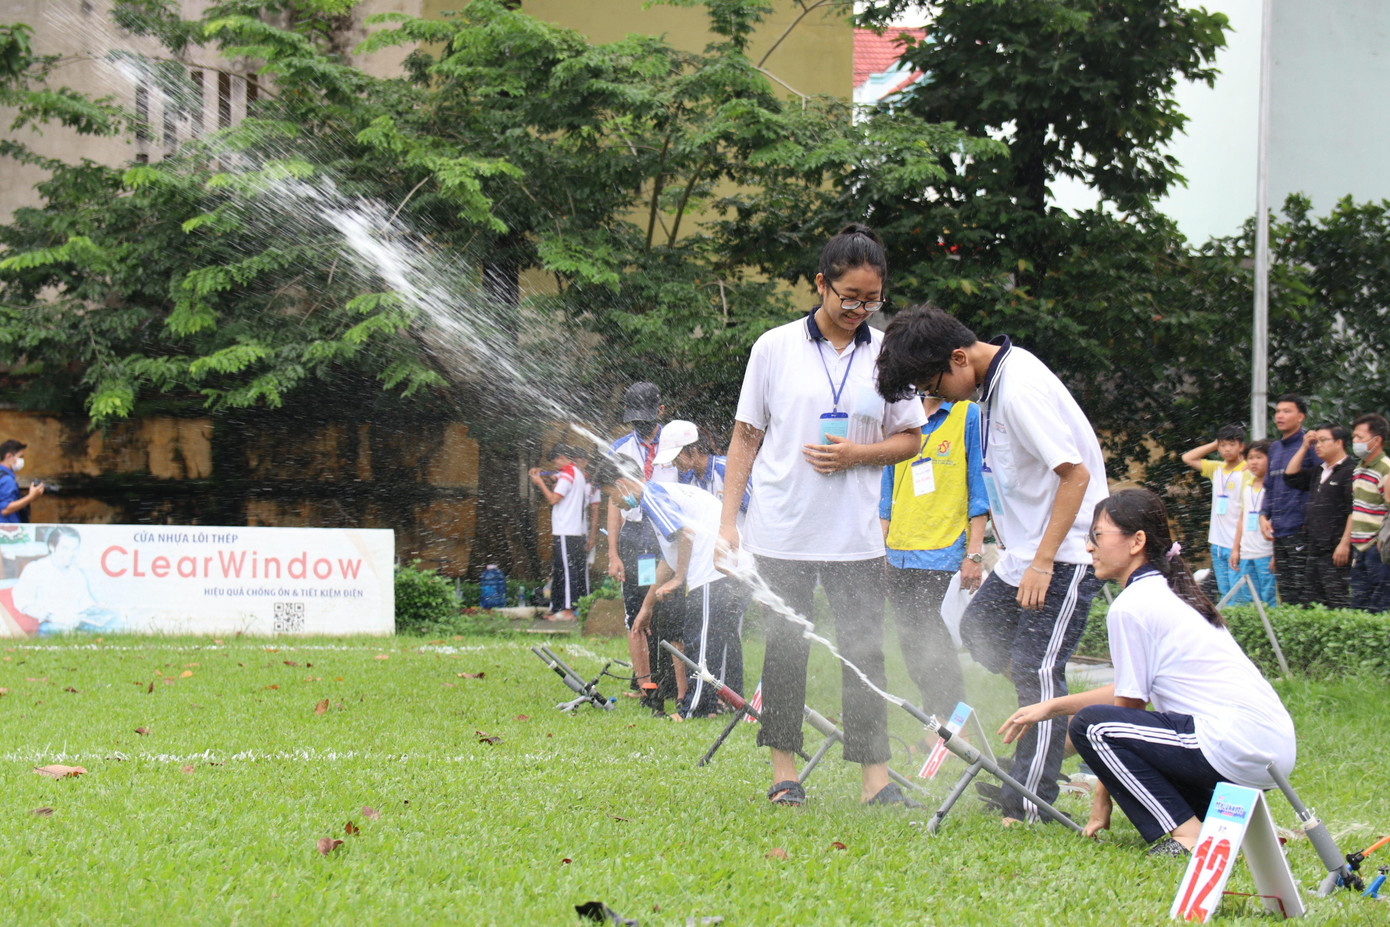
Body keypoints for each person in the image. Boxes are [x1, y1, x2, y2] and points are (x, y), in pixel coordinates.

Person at [716, 223, 926, 808]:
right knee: (786, 649)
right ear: (820, 285)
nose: (860, 310)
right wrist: (728, 524)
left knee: (865, 652)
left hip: (855, 535)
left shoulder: (887, 355)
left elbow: (911, 438)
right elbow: (745, 437)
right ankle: (785, 772)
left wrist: (859, 454)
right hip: (783, 529)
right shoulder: (774, 347)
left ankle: (875, 780)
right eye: (849, 297)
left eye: (872, 300)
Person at [875, 305, 1108, 825]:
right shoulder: (993, 388)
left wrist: (1043, 562)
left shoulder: (1019, 388)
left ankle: (1028, 803)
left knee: (1036, 669)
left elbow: (1076, 475)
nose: (936, 396)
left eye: (933, 384)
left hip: (1062, 555)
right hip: (1024, 553)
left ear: (959, 357)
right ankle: (1054, 723)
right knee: (980, 630)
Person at [999, 489, 1296, 858]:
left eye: (1097, 535)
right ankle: (1233, 827)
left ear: (1137, 541)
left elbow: (1124, 712)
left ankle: (1188, 837)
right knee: (1116, 729)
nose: (1089, 547)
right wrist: (1051, 707)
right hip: (1270, 751)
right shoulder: (1170, 591)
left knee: (1091, 726)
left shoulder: (1132, 605)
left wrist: (1102, 798)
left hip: (1232, 745)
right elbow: (1130, 694)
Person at [598, 461, 746, 720]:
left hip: (712, 568)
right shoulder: (660, 495)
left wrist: (679, 578)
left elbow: (686, 534)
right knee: (719, 639)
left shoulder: (652, 497)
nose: (615, 504)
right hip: (724, 566)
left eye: (611, 496)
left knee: (700, 640)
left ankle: (695, 708)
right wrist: (647, 607)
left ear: (621, 485)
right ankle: (723, 702)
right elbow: (670, 558)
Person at [878, 379, 988, 719]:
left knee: (934, 641)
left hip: (943, 550)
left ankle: (956, 726)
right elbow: (887, 489)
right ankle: (935, 724)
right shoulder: (900, 415)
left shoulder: (967, 414)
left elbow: (979, 488)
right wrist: (881, 547)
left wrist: (974, 554)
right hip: (898, 551)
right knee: (912, 645)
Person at [606, 382, 680, 706]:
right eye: (635, 420)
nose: (641, 426)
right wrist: (613, 553)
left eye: (646, 419)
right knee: (636, 608)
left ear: (660, 411)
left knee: (665, 607)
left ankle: (671, 681)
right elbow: (613, 503)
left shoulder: (675, 447)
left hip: (668, 536)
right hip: (636, 537)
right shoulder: (619, 450)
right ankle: (643, 683)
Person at [1281, 423, 1355, 609]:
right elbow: (1290, 477)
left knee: (1336, 600)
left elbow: (1353, 510)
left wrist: (1344, 543)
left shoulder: (1350, 470)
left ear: (1339, 442)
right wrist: (1304, 447)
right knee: (1312, 601)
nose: (1318, 446)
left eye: (1323, 441)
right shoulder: (1319, 471)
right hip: (1313, 547)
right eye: (1316, 442)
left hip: (1335, 548)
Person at [1179, 425, 1247, 603]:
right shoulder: (1216, 468)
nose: (1227, 449)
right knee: (1224, 592)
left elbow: (1245, 511)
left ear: (1241, 446)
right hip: (1217, 542)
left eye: (1232, 444)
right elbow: (1187, 458)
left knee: (1237, 593)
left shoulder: (1247, 471)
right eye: (1223, 445)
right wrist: (1215, 443)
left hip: (1235, 543)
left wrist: (1237, 546)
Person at [13, 526, 118, 634]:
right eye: (65, 548)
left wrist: (97, 608)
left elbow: (85, 601)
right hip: (51, 624)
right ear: (51, 547)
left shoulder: (76, 572)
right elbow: (23, 603)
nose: (71, 554)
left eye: (74, 549)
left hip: (77, 622)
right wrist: (53, 617)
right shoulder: (35, 569)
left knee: (115, 624)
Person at [528, 444, 591, 621]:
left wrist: (539, 483)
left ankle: (568, 610)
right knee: (560, 570)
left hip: (565, 529)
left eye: (555, 460)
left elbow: (553, 499)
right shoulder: (575, 473)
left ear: (562, 457)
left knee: (567, 571)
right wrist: (541, 475)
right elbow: (554, 478)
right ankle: (557, 606)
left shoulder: (567, 475)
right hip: (573, 530)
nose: (555, 464)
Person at [1260, 394, 1309, 605]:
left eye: (1286, 411)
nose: (1280, 416)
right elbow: (1269, 487)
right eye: (1278, 411)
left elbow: (1316, 482)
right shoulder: (1275, 448)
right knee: (1286, 591)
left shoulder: (1310, 445)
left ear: (1301, 417)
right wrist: (1263, 515)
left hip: (1300, 530)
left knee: (1303, 590)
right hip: (1279, 531)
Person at [1348, 414, 1390, 612]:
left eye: (1360, 437)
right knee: (1358, 605)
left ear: (1377, 440)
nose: (1355, 442)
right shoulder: (1359, 468)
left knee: (1379, 606)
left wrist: (1381, 542)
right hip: (1359, 548)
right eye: (1354, 437)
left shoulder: (1386, 469)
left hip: (1376, 548)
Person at [1230, 440, 1277, 604]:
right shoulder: (1247, 486)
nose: (1254, 462)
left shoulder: (1274, 488)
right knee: (1249, 599)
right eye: (1250, 458)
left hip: (1266, 553)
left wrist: (1276, 554)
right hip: (1246, 553)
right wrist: (1236, 549)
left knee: (1269, 597)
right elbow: (1242, 519)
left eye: (1259, 457)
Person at [0, 439, 43, 524]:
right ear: (9, 456)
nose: (22, 461)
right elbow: (5, 509)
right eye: (20, 457)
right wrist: (31, 497)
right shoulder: (7, 480)